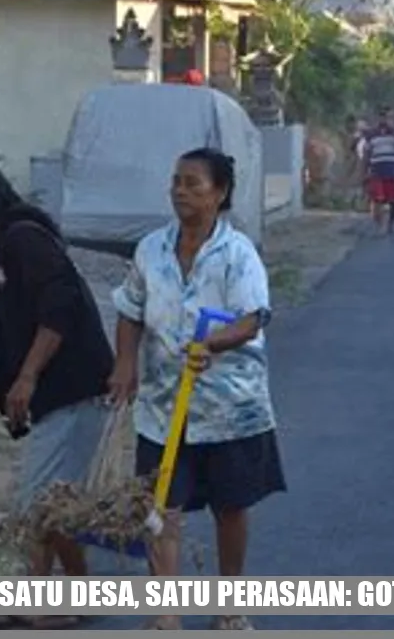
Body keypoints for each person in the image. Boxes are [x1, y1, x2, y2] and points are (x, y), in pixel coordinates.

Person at [110, 148, 284, 631]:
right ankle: (165, 613)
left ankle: (229, 605)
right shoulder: (150, 249)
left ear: (220, 193)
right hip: (164, 406)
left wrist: (214, 343)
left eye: (192, 183)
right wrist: (125, 362)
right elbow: (130, 308)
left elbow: (253, 318)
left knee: (231, 507)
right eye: (175, 182)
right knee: (162, 505)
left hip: (230, 406)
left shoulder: (237, 254)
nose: (180, 191)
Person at [0, 160, 113, 629]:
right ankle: (54, 597)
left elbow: (60, 305)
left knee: (40, 501)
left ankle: (56, 600)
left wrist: (25, 378)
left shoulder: (22, 238)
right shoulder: (4, 247)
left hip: (73, 388)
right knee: (51, 501)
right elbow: (15, 338)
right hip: (56, 392)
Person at [358, 109, 394, 235]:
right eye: (382, 118)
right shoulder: (371, 134)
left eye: (388, 118)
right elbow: (366, 153)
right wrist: (363, 172)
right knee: (377, 200)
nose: (384, 121)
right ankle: (380, 225)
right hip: (377, 170)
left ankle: (391, 223)